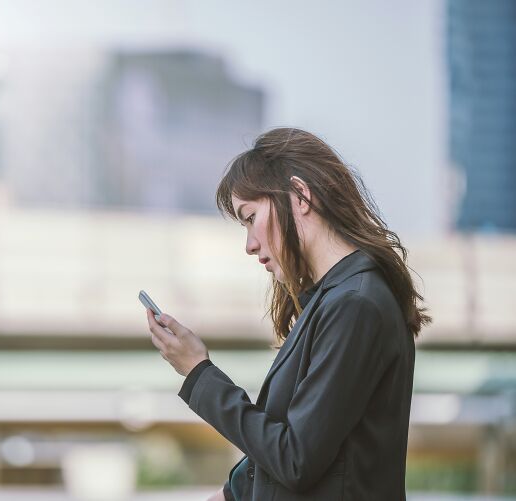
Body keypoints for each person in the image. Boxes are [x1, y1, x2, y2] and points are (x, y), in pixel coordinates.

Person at [144, 127, 431, 500]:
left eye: (250, 218)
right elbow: (307, 444)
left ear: (299, 196)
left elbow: (295, 459)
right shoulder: (335, 300)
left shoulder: (354, 305)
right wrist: (232, 493)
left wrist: (198, 373)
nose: (249, 245)